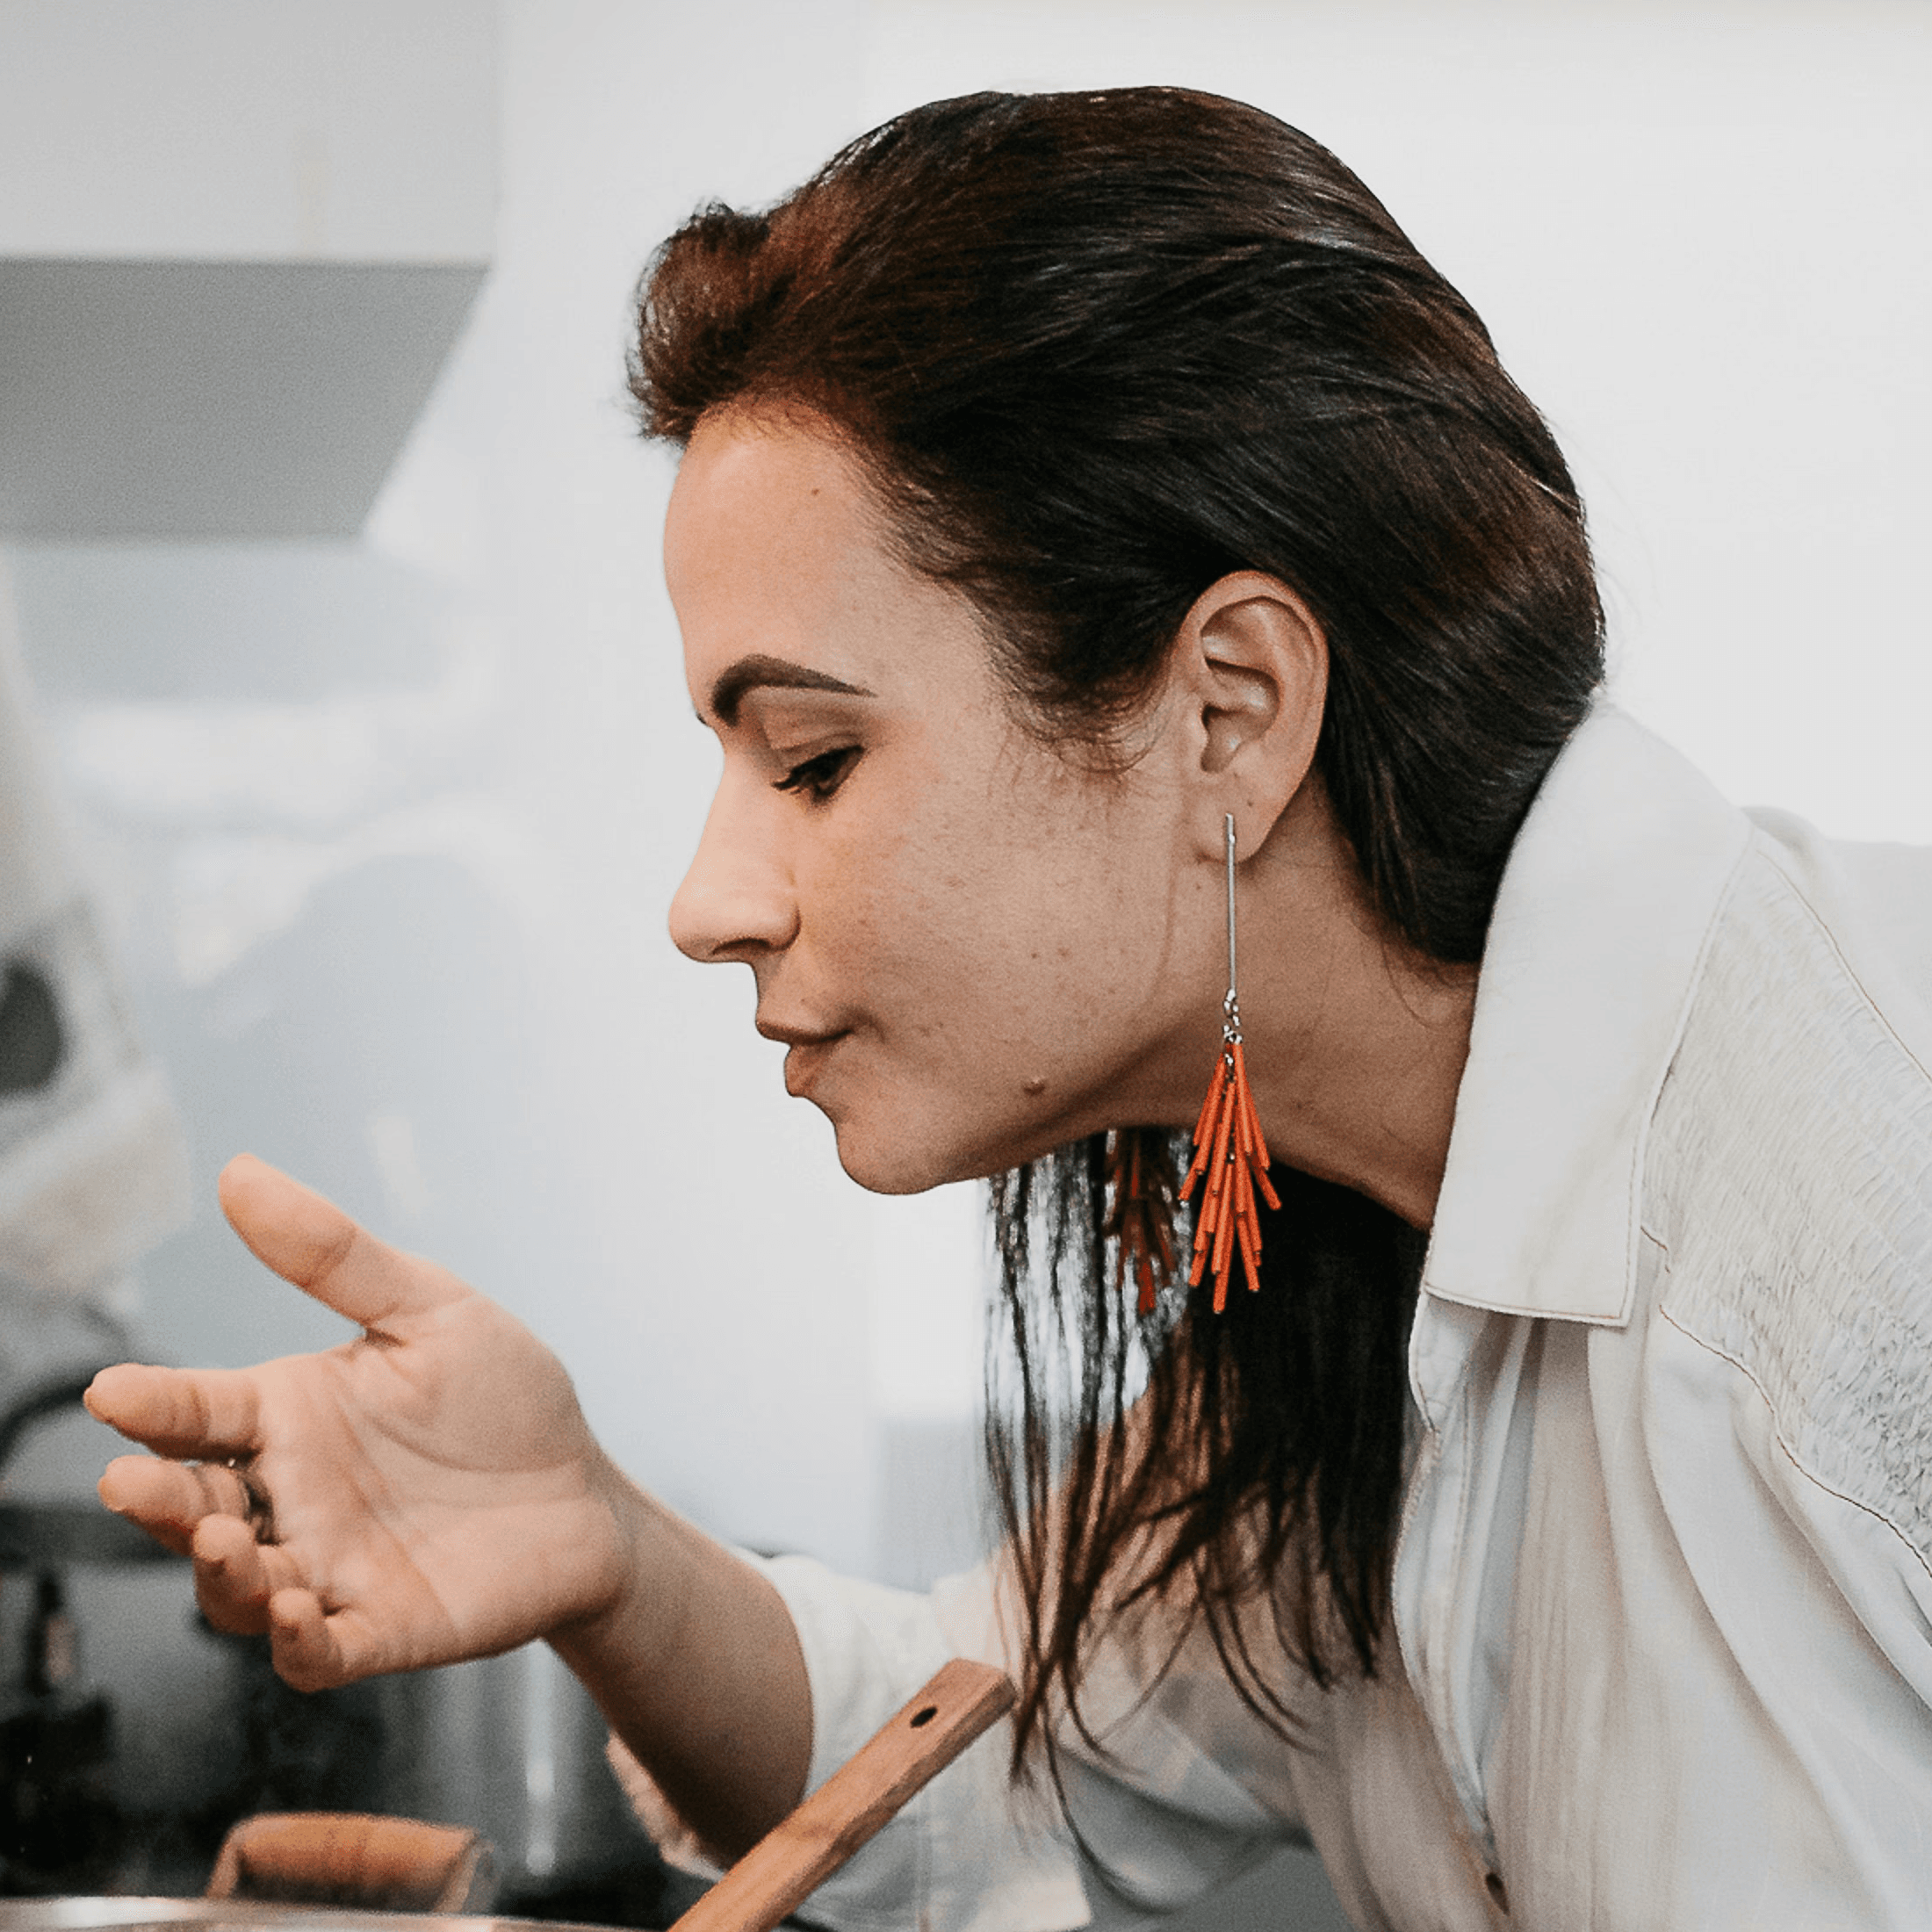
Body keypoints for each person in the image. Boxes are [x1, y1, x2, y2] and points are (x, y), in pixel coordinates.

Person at [86, 89, 1932, 1930]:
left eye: (809, 757)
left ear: (1225, 711)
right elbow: (980, 1771)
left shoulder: (1845, 1193)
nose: (702, 902)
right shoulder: (1365, 1277)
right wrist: (602, 1547)